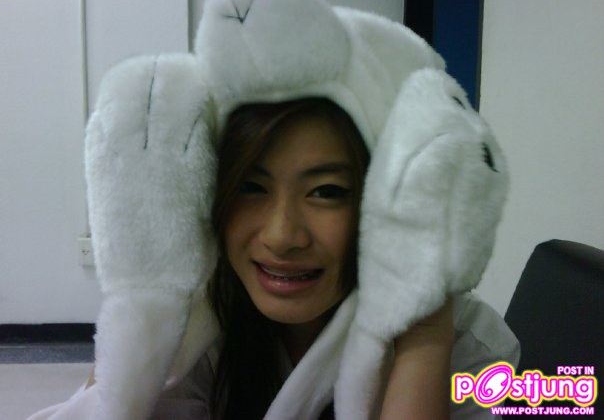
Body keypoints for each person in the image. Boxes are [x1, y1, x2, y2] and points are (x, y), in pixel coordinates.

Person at [28, 97, 518, 420]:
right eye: (251, 187)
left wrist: (425, 343)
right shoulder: (195, 319)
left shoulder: (468, 346)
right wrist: (137, 326)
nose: (282, 237)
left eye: (328, 191)